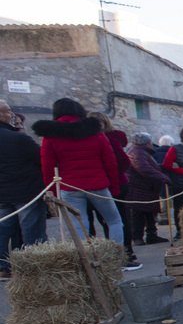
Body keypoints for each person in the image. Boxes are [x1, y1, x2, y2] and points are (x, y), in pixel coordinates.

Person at [33, 98, 133, 269]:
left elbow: (47, 166)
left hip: (70, 186)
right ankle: (116, 258)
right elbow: (110, 162)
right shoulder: (95, 132)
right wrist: (114, 186)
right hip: (98, 184)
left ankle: (84, 262)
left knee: (79, 226)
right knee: (114, 221)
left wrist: (53, 192)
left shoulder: (50, 136)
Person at [0, 99, 49, 280]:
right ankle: (36, 267)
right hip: (26, 191)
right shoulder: (18, 138)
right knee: (32, 231)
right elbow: (41, 159)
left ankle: (3, 267)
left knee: (3, 231)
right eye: (7, 111)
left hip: (3, 194)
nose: (11, 114)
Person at [86, 111, 139, 269]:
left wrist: (110, 177)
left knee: (117, 220)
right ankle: (97, 255)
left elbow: (122, 162)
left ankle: (124, 253)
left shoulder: (110, 140)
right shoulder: (89, 139)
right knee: (101, 221)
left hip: (112, 184)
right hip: (93, 185)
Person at [126, 133, 172, 245]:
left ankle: (152, 235)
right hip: (139, 188)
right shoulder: (138, 152)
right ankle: (137, 237)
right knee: (139, 213)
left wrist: (162, 167)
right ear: (147, 143)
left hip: (146, 188)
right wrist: (162, 177)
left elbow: (150, 167)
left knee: (149, 212)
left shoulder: (141, 152)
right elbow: (144, 168)